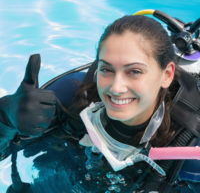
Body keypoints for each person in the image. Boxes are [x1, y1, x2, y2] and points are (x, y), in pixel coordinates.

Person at [0, 15, 200, 193]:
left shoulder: (190, 149)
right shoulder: (71, 96)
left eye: (134, 71)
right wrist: (6, 119)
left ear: (166, 75)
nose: (116, 87)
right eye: (107, 69)